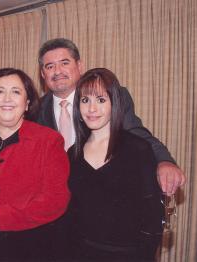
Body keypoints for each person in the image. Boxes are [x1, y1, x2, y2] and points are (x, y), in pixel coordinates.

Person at [0, 38, 185, 195]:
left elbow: (138, 134)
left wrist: (164, 161)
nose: (57, 71)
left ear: (80, 66)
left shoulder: (110, 98)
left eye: (64, 63)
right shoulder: (34, 110)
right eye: (49, 66)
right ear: (43, 74)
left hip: (105, 196)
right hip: (55, 202)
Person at [0, 68, 70, 261]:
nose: (7, 99)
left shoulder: (49, 141)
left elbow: (56, 200)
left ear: (27, 103)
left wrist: (0, 214)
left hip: (26, 246)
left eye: (16, 92)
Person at [65, 68, 163, 261]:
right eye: (85, 100)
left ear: (114, 103)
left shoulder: (138, 149)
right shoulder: (73, 153)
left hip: (129, 256)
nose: (92, 109)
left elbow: (152, 218)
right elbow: (72, 215)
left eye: (101, 100)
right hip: (81, 254)